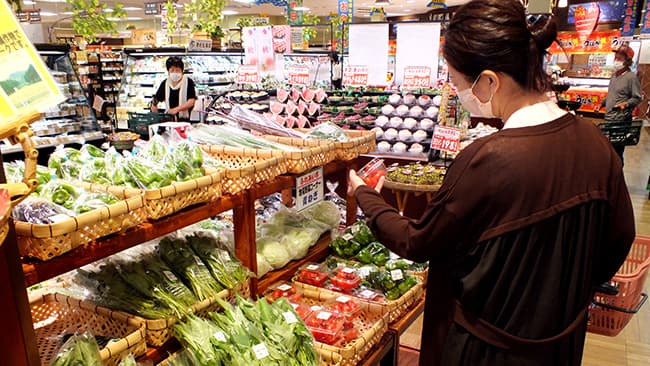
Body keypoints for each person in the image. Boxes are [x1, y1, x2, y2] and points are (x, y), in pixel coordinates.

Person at [348, 1, 635, 365]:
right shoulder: (596, 144)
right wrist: (560, 294)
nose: (459, 92)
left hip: (486, 350)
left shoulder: (487, 159)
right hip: (561, 344)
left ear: (488, 81)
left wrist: (365, 196)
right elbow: (619, 239)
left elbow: (418, 241)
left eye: (457, 81)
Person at [602, 45, 642, 165]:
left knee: (617, 153)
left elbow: (637, 98)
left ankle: (617, 179)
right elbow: (612, 94)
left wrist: (626, 104)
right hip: (608, 119)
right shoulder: (614, 76)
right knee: (608, 151)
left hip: (621, 121)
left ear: (627, 61)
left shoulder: (631, 77)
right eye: (616, 57)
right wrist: (603, 103)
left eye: (619, 58)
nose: (616, 59)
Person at [150, 56, 197, 121]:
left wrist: (176, 109)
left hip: (184, 119)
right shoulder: (165, 83)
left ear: (182, 71)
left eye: (177, 70)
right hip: (169, 119)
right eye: (172, 70)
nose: (175, 72)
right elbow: (157, 98)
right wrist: (154, 106)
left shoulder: (188, 82)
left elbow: (191, 101)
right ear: (168, 71)